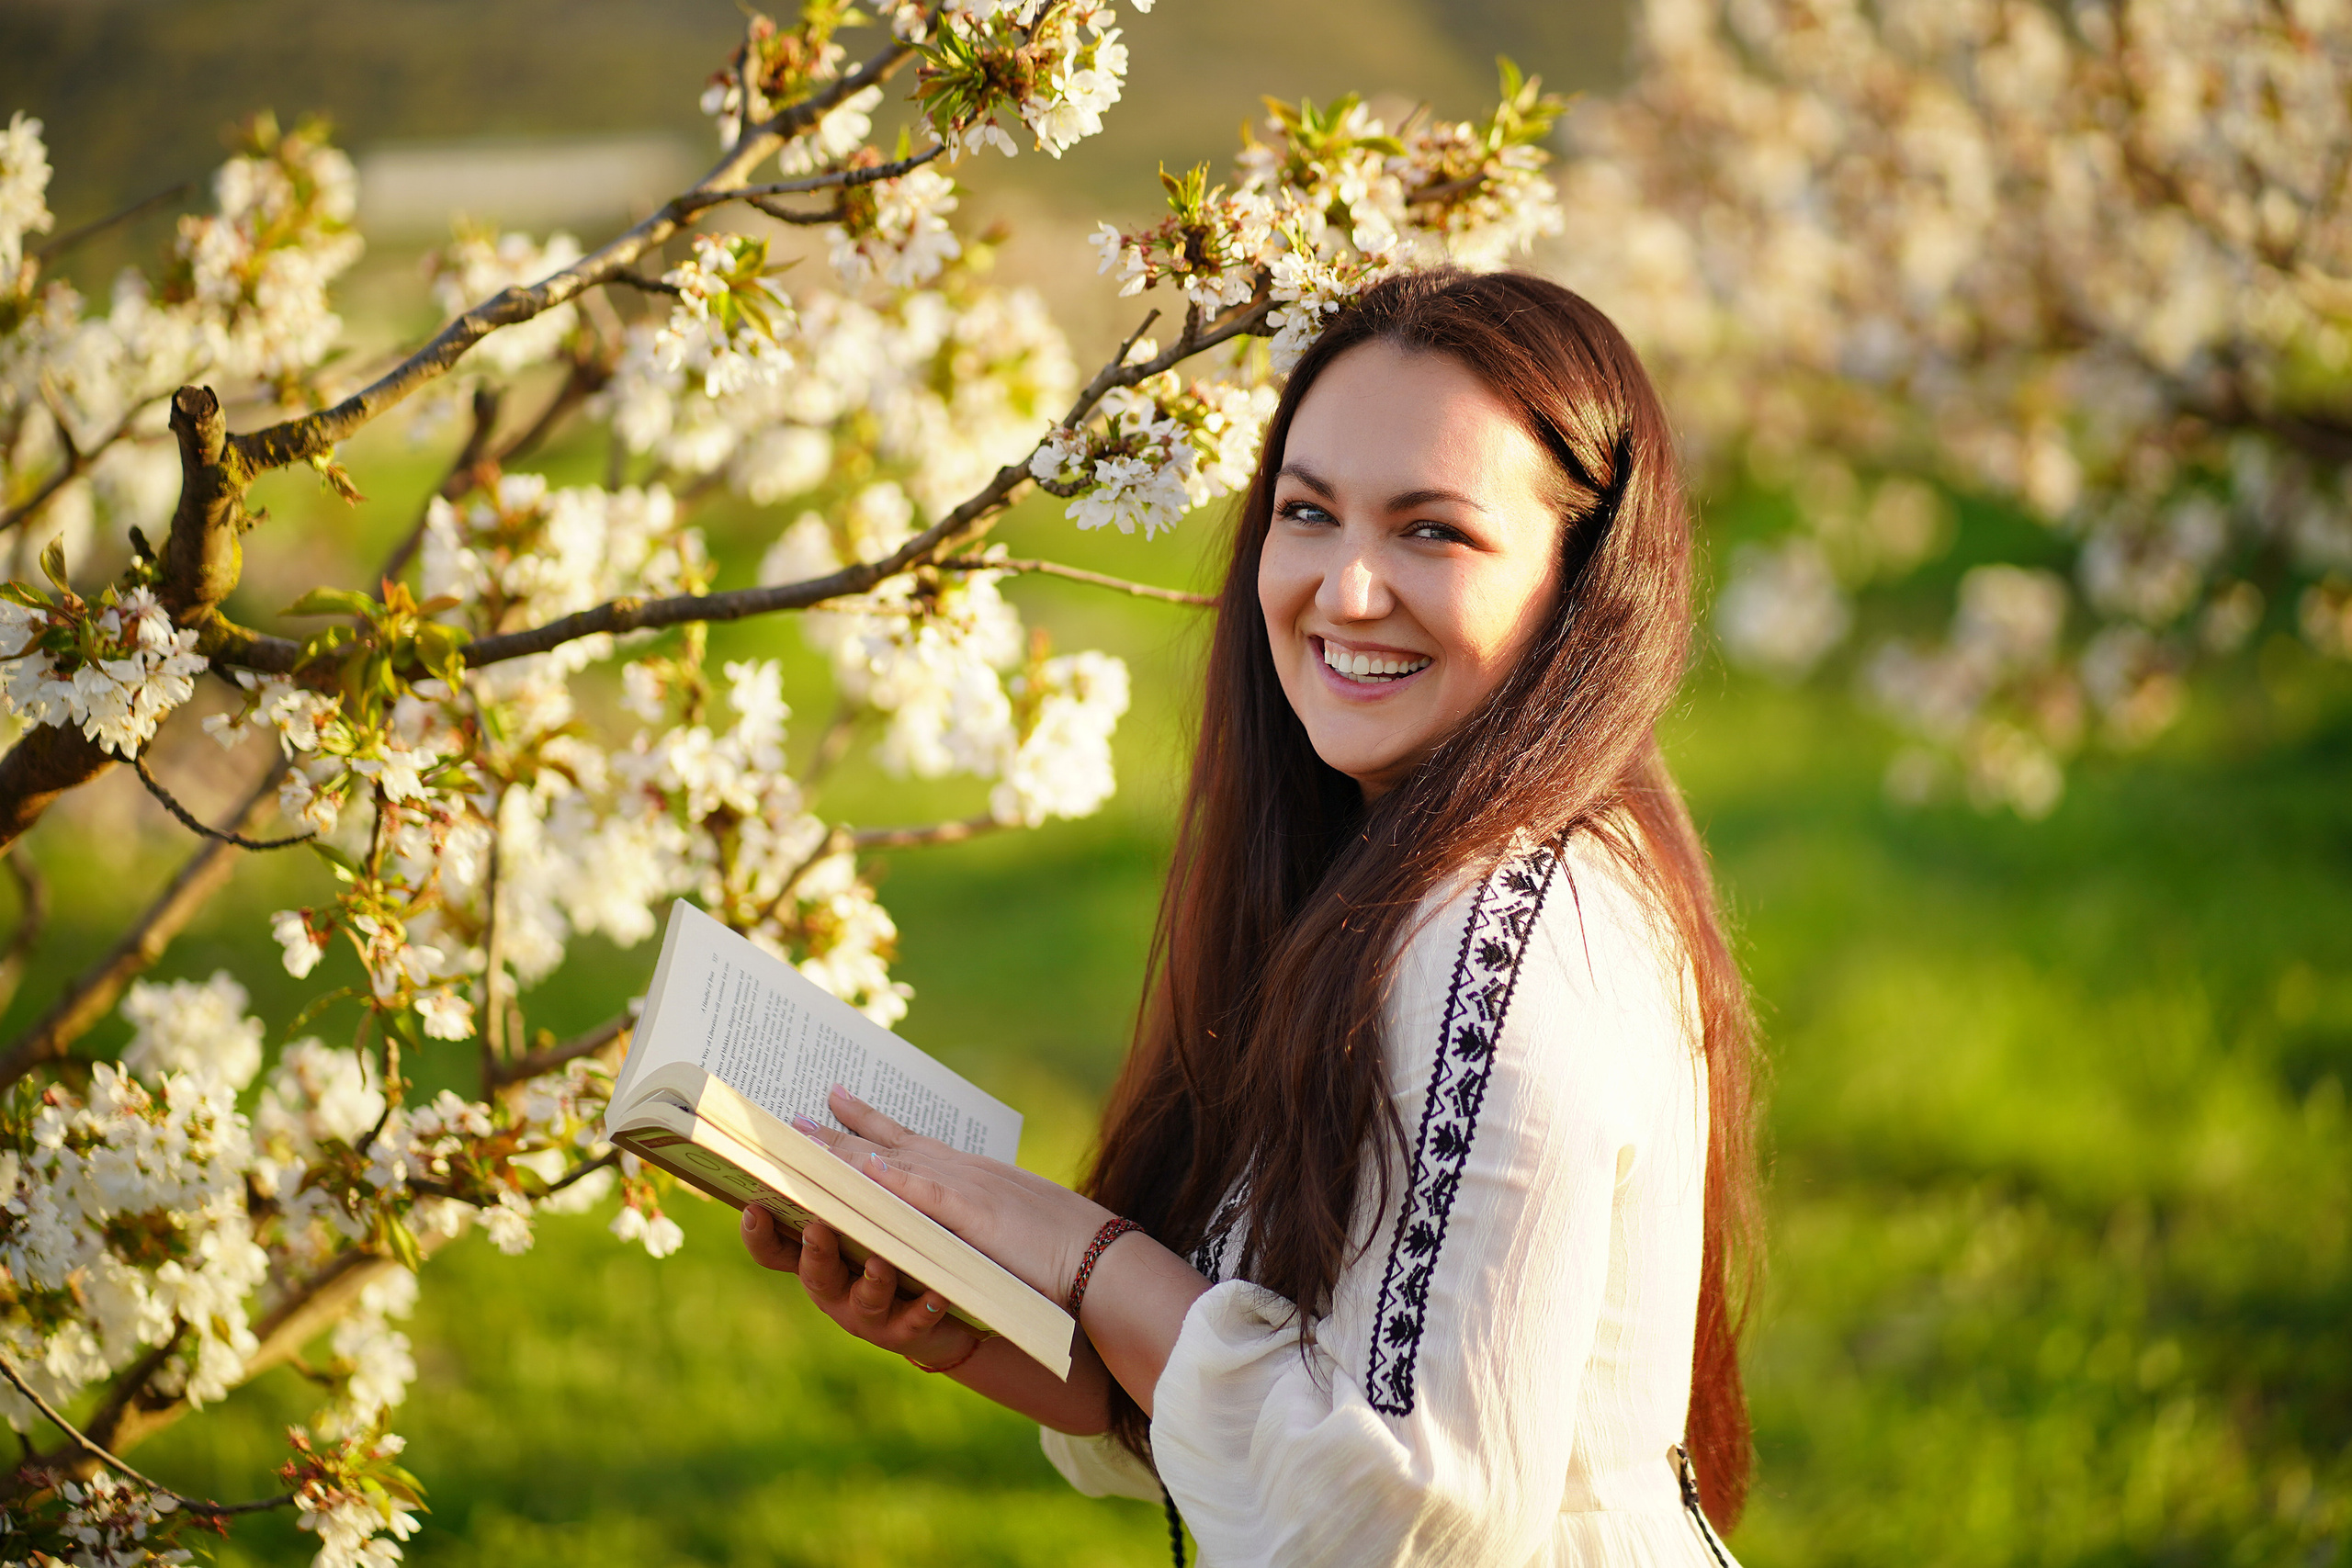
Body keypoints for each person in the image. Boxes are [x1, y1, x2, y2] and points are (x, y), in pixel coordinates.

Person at [739, 267, 1762, 1568]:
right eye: (1308, 514)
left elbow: (1397, 1518)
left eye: (1432, 532)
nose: (1343, 591)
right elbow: (1294, 1386)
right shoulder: (1435, 858)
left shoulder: (1497, 928)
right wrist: (982, 1313)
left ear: (1580, 582)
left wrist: (1084, 1247)